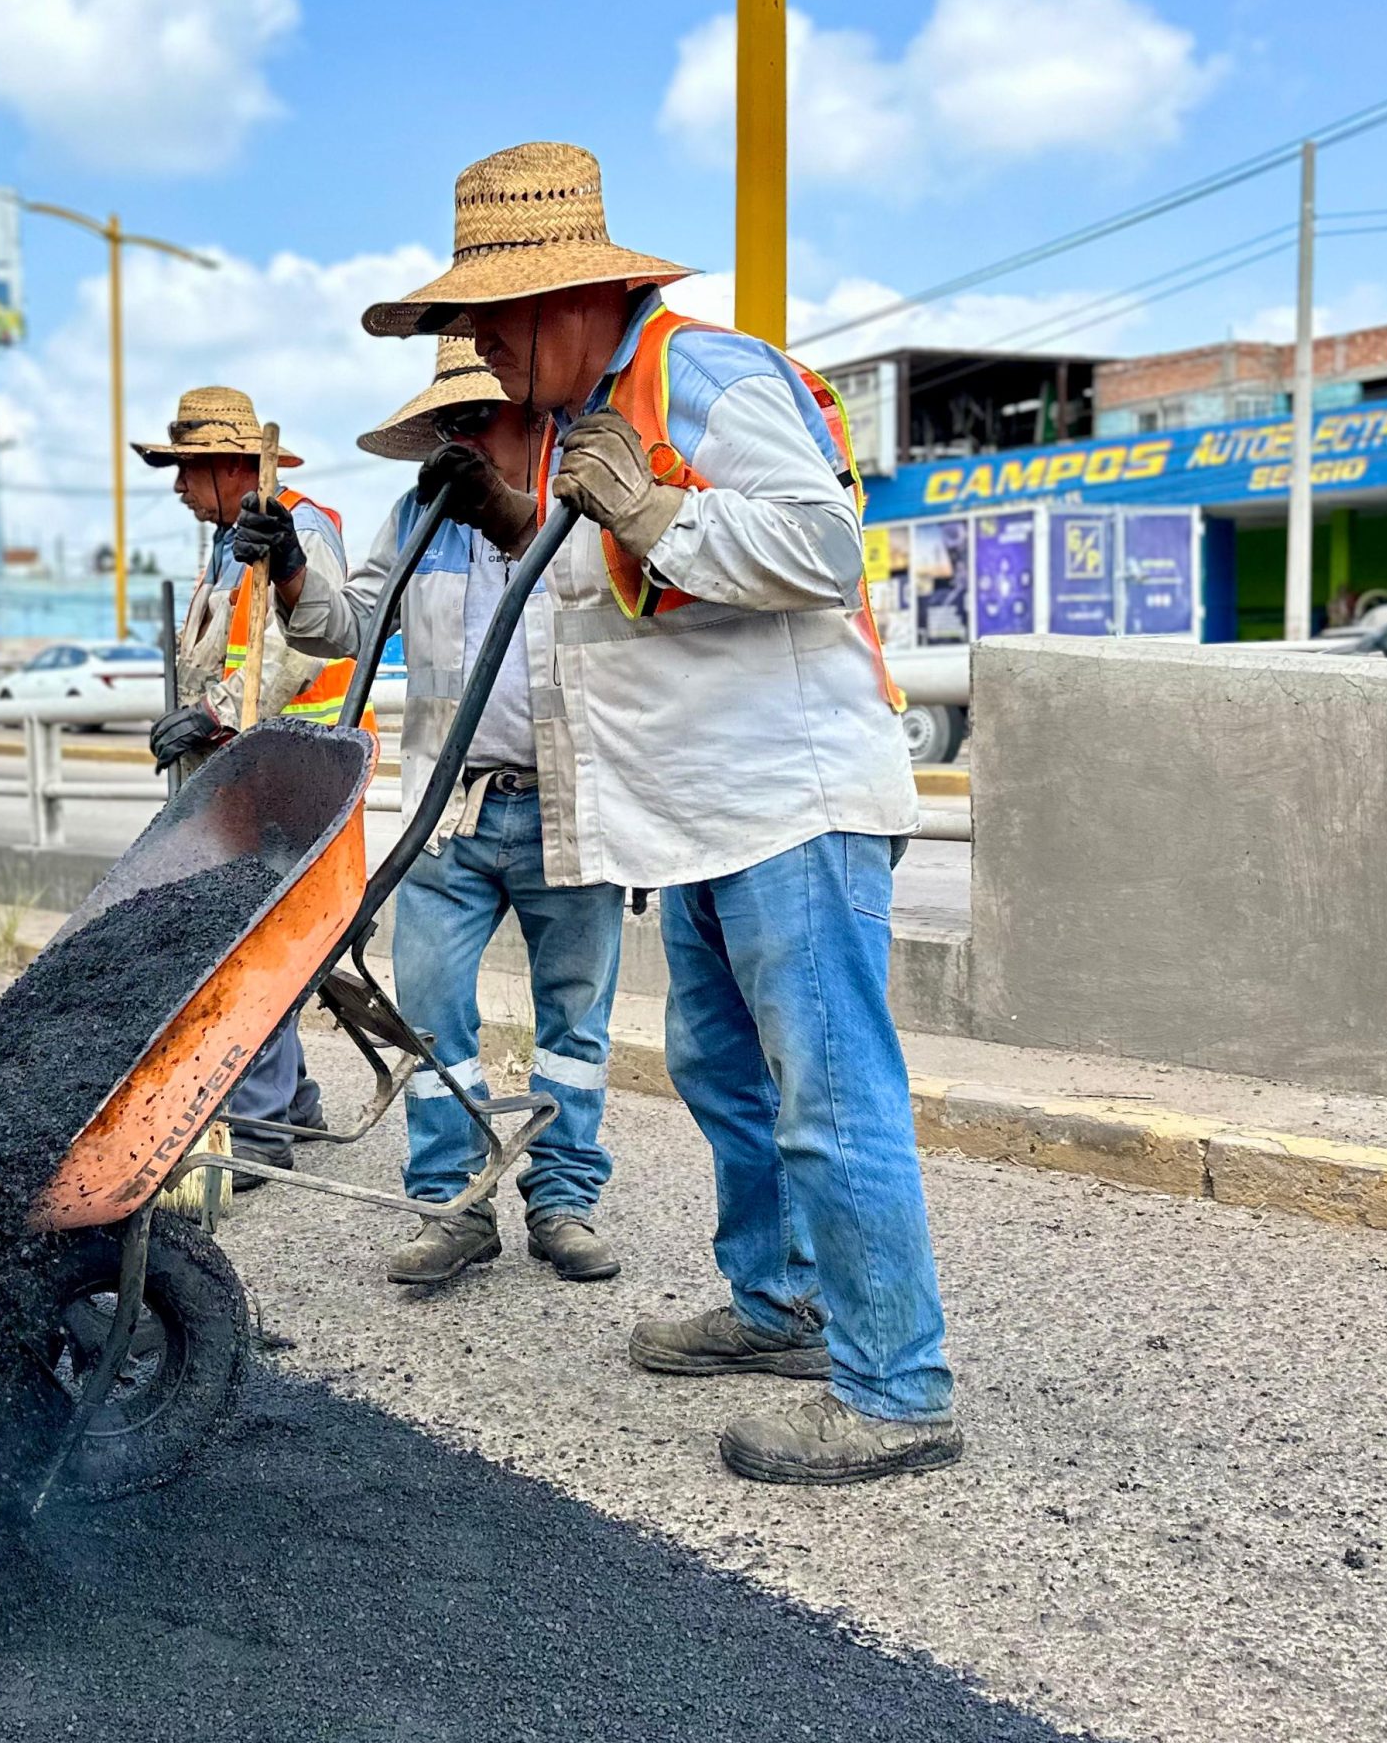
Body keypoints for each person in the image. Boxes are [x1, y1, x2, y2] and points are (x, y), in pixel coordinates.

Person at [360, 142, 959, 1484]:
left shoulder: (704, 375)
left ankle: (899, 1383)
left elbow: (814, 546)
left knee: (828, 1094)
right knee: (731, 1082)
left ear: (560, 301)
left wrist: (648, 506)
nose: (479, 354)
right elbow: (598, 578)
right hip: (695, 819)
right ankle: (781, 1308)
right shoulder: (592, 412)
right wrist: (528, 509)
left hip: (787, 805)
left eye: (487, 325)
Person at [278, 338, 625, 1284]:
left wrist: (510, 514)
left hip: (569, 805)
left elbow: (621, 607)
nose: (464, 434)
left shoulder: (582, 500)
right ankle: (451, 1203)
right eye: (451, 421)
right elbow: (346, 624)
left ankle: (562, 1199)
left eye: (479, 415)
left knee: (576, 1024)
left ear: (529, 409)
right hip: (451, 813)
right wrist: (291, 576)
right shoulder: (416, 516)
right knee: (429, 1014)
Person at [135, 385, 354, 1182]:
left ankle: (258, 1132)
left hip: (292, 774)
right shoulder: (225, 547)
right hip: (240, 775)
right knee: (248, 941)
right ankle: (290, 1100)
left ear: (230, 467)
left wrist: (214, 711)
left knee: (254, 950)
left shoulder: (300, 529)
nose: (178, 488)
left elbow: (301, 652)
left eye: (186, 470)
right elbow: (222, 650)